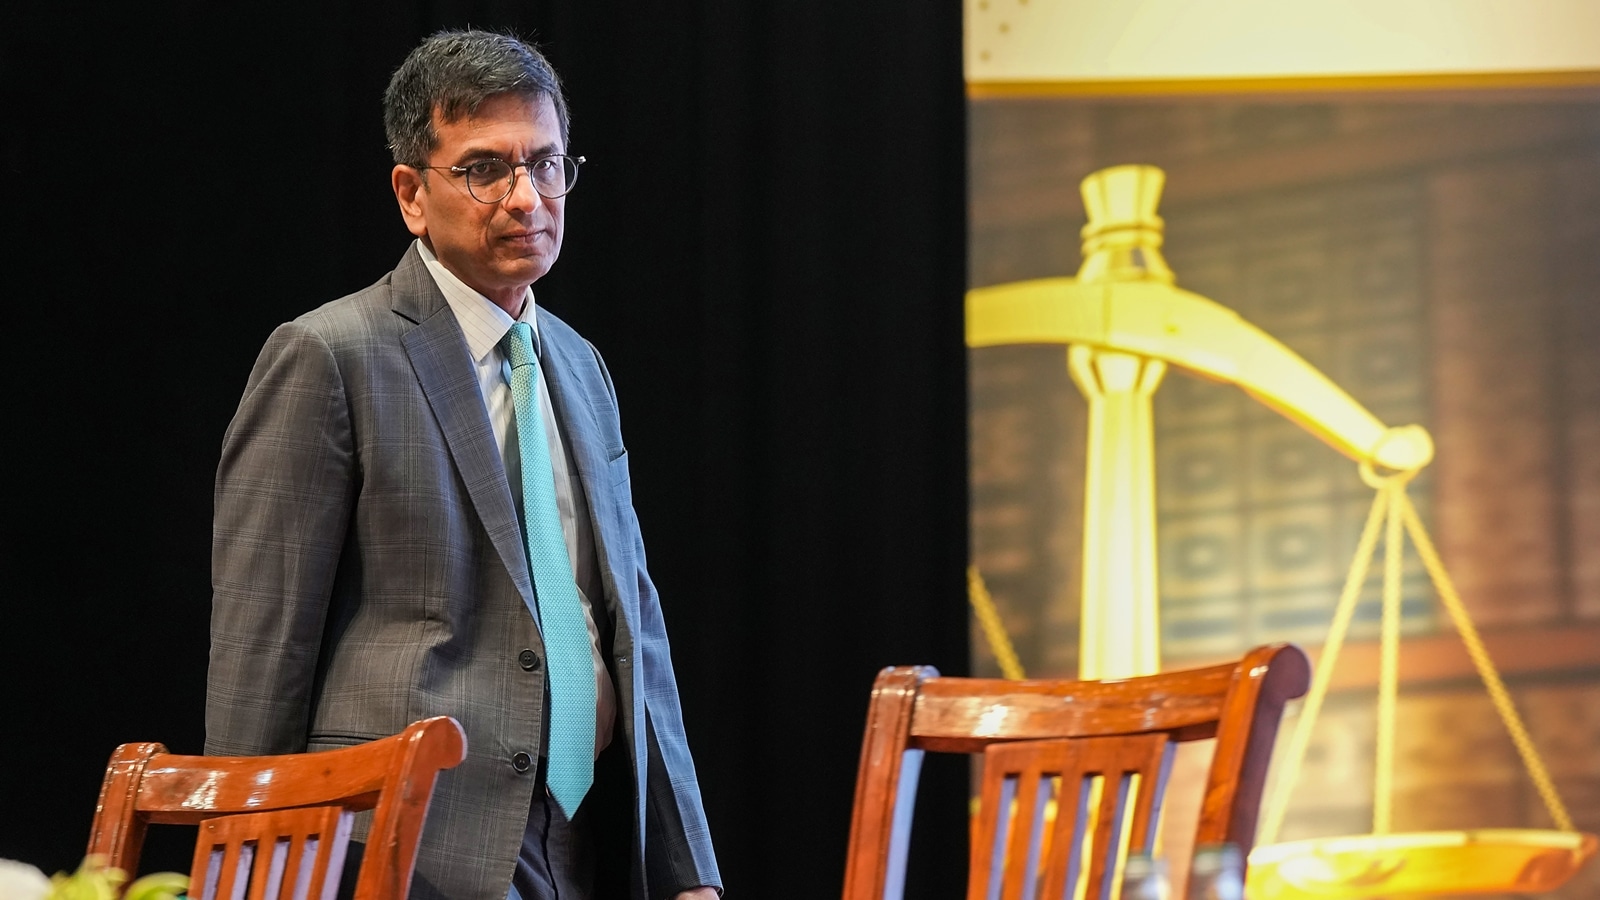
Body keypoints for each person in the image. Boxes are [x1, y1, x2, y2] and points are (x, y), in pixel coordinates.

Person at [205, 28, 721, 900]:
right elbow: (264, 647)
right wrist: (244, 869)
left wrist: (688, 871)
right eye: (485, 169)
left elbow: (634, 625)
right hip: (404, 844)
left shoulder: (580, 365)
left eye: (546, 164)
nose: (527, 198)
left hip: (583, 834)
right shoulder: (330, 355)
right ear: (412, 194)